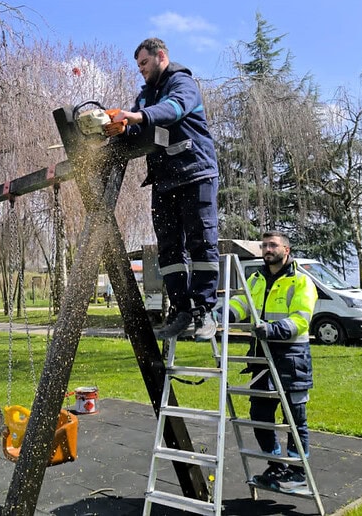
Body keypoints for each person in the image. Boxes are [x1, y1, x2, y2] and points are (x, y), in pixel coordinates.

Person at [108, 38, 219, 341]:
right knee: (169, 248)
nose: (141, 70)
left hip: (196, 173)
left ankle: (204, 310)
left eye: (144, 63)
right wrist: (117, 127)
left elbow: (173, 110)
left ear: (161, 57)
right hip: (165, 181)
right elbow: (135, 125)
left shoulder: (183, 84)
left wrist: (139, 117)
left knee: (201, 242)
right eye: (138, 66)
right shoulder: (145, 96)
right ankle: (181, 311)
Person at [227, 230, 318, 492]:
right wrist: (222, 315)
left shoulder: (301, 282)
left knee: (295, 416)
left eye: (272, 245)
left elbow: (301, 319)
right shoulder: (255, 279)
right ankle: (276, 463)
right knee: (259, 414)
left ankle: (297, 470)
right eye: (264, 245)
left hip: (291, 358)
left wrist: (272, 329)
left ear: (286, 250)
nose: (267, 249)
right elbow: (241, 303)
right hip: (261, 359)